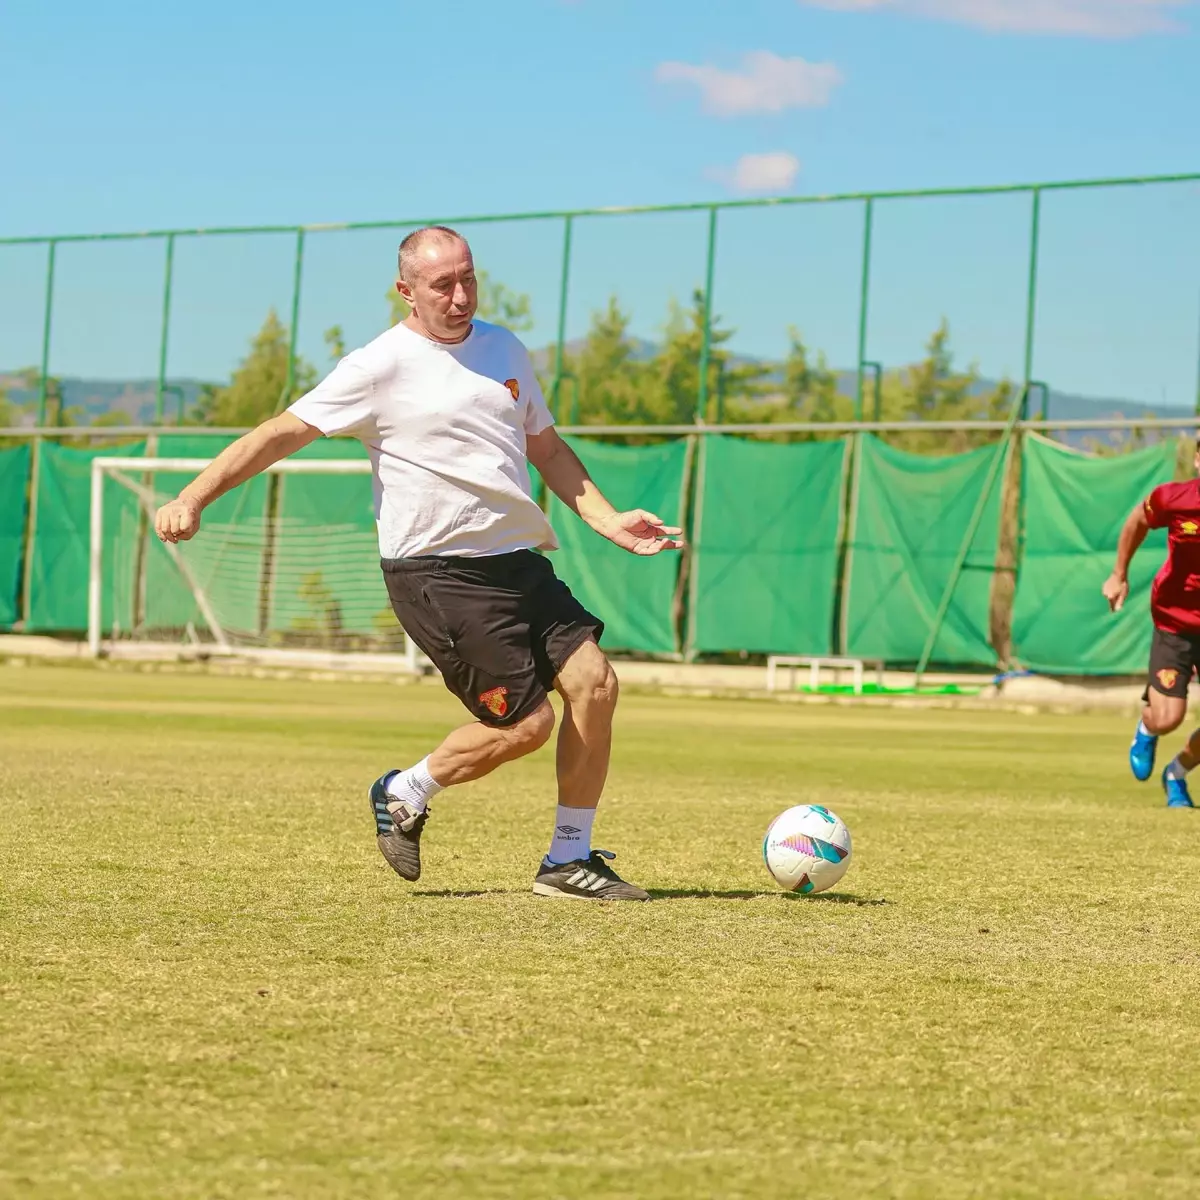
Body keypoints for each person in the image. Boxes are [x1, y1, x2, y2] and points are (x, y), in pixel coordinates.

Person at [155, 225, 683, 898]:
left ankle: (567, 861)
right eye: (443, 285)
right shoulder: (378, 365)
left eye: (468, 279)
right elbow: (279, 433)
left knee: (596, 685)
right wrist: (193, 496)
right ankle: (405, 791)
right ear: (405, 291)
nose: (460, 296)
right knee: (525, 726)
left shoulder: (504, 348)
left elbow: (545, 449)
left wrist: (609, 520)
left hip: (515, 561)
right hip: (436, 573)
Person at [1103, 437, 1200, 808]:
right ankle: (1148, 728)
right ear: (1196, 461)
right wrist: (1118, 574)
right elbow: (1137, 521)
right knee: (1168, 718)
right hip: (1175, 620)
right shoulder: (1172, 499)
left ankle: (1176, 774)